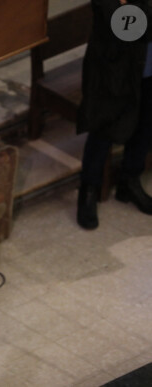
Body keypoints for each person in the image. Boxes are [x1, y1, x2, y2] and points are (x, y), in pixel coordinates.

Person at [77, 0, 152, 229]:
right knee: (104, 127)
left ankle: (130, 181)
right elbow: (127, 26)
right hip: (114, 68)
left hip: (149, 64)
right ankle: (88, 190)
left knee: (146, 126)